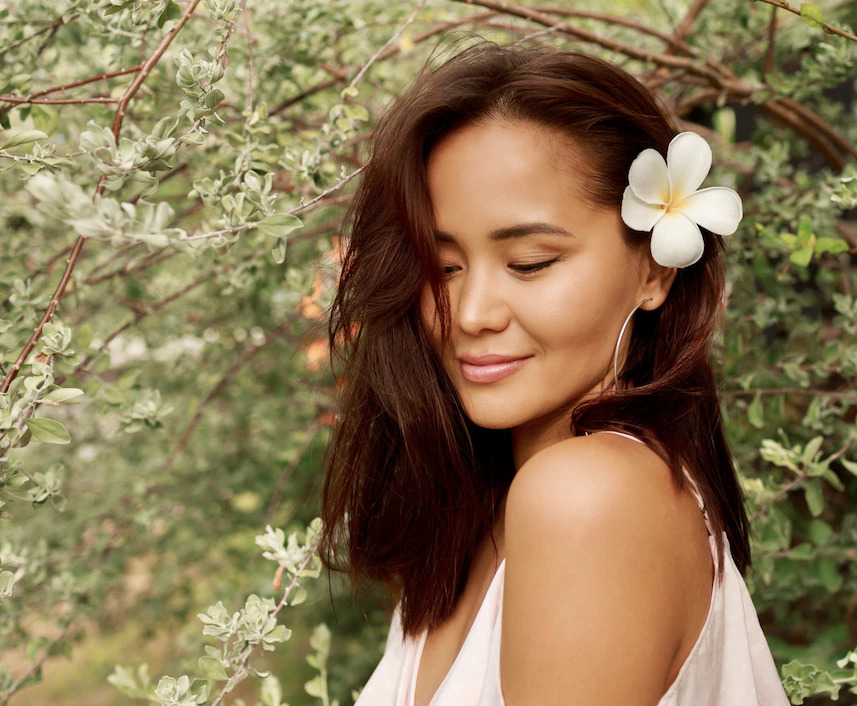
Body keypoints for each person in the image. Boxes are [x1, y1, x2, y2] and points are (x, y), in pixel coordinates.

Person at [317, 36, 791, 706]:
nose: (472, 312)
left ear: (654, 270)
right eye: (443, 267)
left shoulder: (586, 498)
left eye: (531, 262)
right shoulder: (490, 517)